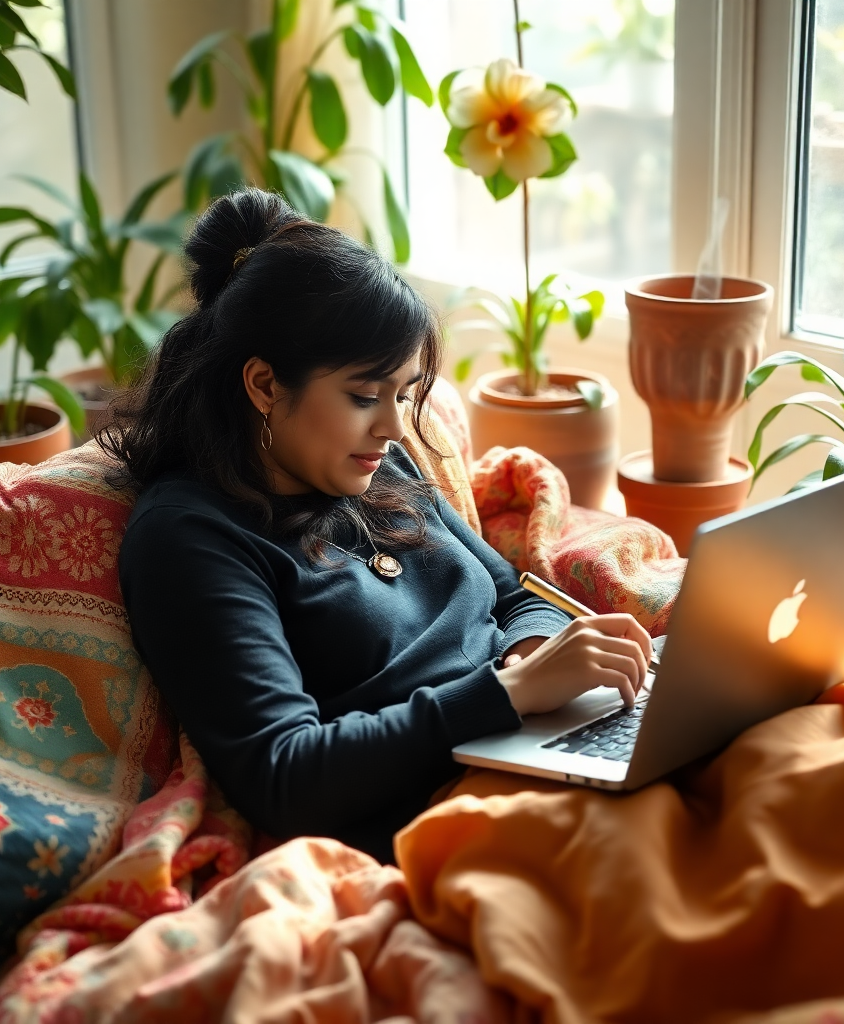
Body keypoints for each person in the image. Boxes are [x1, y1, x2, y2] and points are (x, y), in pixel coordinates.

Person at [108, 189, 651, 864]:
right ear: (264, 385)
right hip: (445, 805)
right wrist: (509, 695)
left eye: (403, 392)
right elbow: (285, 771)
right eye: (366, 396)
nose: (395, 427)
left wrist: (530, 655)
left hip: (533, 747)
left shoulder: (371, 463)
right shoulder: (189, 537)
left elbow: (514, 595)